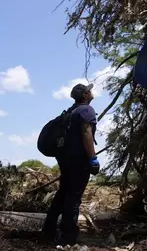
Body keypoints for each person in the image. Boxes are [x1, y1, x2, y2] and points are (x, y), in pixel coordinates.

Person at [41, 83, 101, 246]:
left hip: (64, 159)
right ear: (86, 95)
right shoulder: (86, 110)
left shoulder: (71, 111)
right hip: (78, 160)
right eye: (89, 90)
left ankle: (48, 231)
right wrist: (93, 159)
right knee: (73, 198)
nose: (91, 91)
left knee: (63, 193)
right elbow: (86, 133)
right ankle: (67, 237)